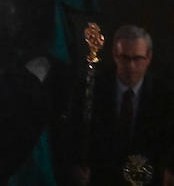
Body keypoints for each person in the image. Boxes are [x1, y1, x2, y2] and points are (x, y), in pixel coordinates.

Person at [68, 26, 172, 186]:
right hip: (101, 177)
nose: (131, 66)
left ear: (148, 57)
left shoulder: (164, 95)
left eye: (137, 58)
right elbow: (73, 130)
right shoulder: (92, 88)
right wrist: (75, 167)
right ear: (115, 55)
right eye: (124, 58)